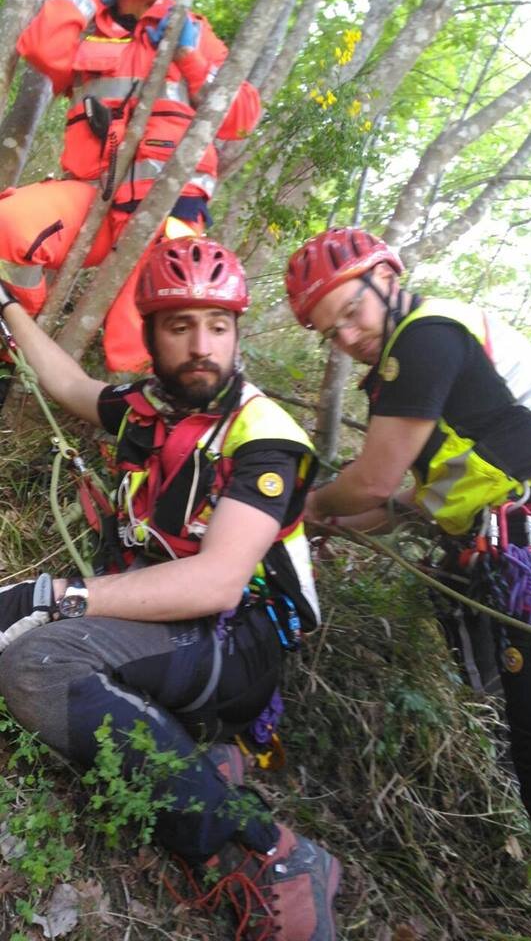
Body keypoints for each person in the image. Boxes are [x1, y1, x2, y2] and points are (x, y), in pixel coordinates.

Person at [0, 236, 341, 941]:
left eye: (218, 326)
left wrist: (56, 595)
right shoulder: (148, 408)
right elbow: (67, 385)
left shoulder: (263, 436)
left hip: (237, 639)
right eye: (180, 326)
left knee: (41, 660)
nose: (202, 346)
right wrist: (8, 308)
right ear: (151, 333)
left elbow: (218, 582)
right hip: (170, 628)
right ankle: (199, 753)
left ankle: (265, 853)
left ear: (237, 331)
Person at [285, 226, 531, 833]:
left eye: (352, 311)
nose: (348, 338)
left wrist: (309, 506)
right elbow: (417, 497)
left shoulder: (424, 338)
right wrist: (337, 518)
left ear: (389, 278)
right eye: (332, 333)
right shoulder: (434, 344)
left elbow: (372, 481)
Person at [0, 0, 260, 379]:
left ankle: (132, 427)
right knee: (10, 223)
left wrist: (189, 54)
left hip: (166, 210)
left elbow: (242, 118)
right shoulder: (92, 30)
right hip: (96, 199)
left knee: (145, 332)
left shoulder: (192, 29)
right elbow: (41, 48)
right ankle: (13, 349)